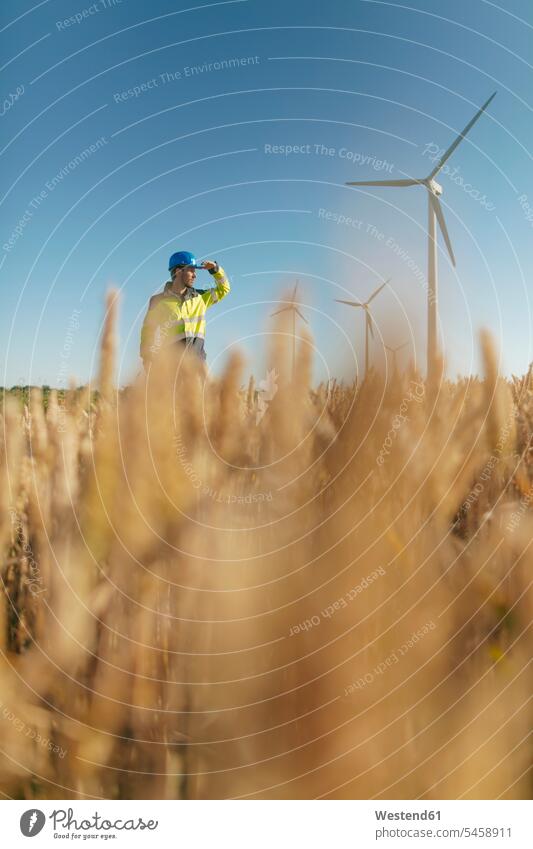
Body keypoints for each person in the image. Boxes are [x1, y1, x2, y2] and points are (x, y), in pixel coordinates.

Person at [140, 251, 230, 369]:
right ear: (178, 271)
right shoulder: (157, 301)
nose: (195, 275)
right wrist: (147, 358)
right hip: (170, 367)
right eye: (191, 270)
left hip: (197, 366)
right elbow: (148, 332)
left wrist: (215, 270)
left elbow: (224, 289)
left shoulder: (201, 297)